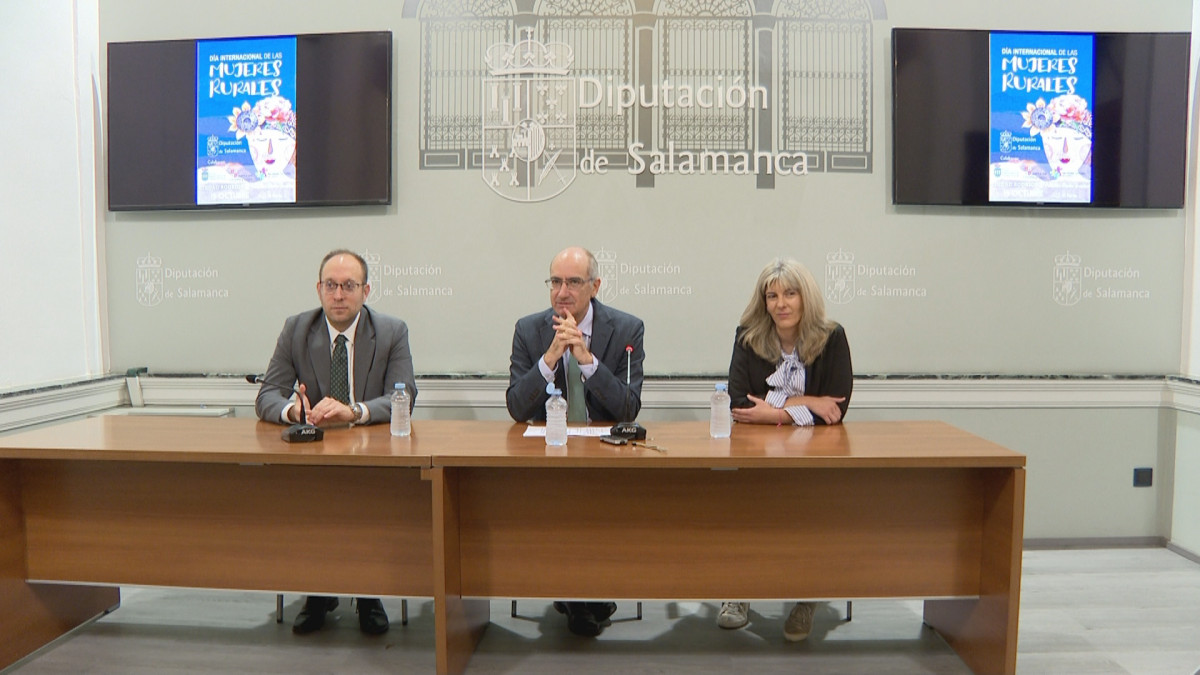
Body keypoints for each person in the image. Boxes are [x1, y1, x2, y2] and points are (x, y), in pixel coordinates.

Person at [254, 249, 416, 636]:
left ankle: (368, 593)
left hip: (372, 457)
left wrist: (354, 411)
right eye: (331, 286)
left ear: (365, 290)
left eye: (348, 286)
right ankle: (318, 590)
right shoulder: (297, 329)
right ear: (319, 289)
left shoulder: (392, 331)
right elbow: (267, 396)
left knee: (366, 499)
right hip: (313, 455)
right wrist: (296, 411)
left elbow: (404, 394)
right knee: (311, 502)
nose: (339, 295)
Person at [506, 246, 645, 636]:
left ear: (595, 286)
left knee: (595, 506)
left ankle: (581, 597)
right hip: (546, 454)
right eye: (555, 282)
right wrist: (550, 358)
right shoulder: (530, 329)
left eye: (573, 282)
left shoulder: (627, 329)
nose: (562, 292)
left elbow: (628, 408)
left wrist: (586, 360)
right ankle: (580, 597)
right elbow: (517, 407)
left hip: (605, 455)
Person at [716, 258, 852, 642]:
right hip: (757, 451)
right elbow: (740, 403)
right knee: (747, 512)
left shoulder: (832, 336)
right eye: (772, 295)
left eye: (790, 293)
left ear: (805, 297)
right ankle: (738, 591)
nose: (781, 303)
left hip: (816, 453)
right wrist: (804, 403)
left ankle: (807, 598)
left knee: (811, 514)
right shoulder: (748, 335)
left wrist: (774, 410)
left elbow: (836, 408)